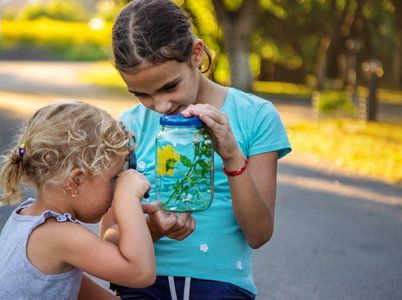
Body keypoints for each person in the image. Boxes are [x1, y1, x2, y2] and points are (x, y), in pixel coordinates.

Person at [100, 0, 292, 299]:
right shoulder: (126, 127)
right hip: (141, 285)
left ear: (196, 54)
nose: (161, 105)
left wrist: (231, 155)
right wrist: (154, 227)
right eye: (141, 94)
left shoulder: (256, 115)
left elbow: (259, 234)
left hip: (222, 287)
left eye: (169, 86)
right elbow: (108, 239)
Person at [0, 100, 156, 300]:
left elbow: (78, 288)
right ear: (76, 181)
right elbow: (140, 274)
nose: (116, 191)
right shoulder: (60, 234)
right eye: (114, 179)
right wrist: (128, 199)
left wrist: (156, 227)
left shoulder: (28, 219)